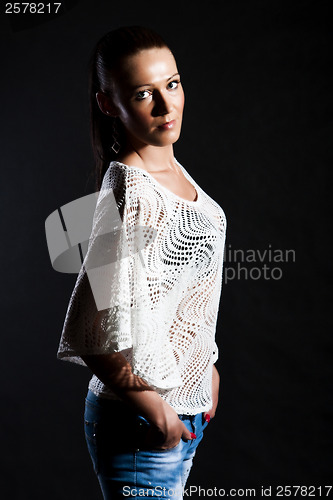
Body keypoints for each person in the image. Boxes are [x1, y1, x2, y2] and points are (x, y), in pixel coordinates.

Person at [57, 25, 227, 499]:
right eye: (142, 93)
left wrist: (205, 366)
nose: (166, 105)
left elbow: (184, 294)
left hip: (185, 410)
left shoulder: (175, 173)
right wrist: (155, 409)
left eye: (172, 84)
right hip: (139, 422)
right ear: (109, 104)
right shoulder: (130, 188)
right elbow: (93, 333)